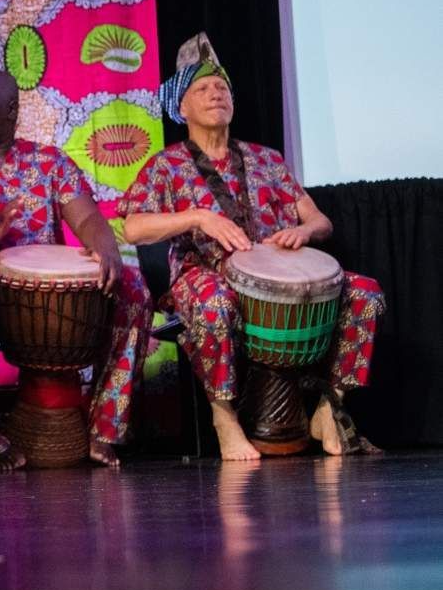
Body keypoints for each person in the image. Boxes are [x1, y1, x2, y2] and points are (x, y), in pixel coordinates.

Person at [119, 33, 384, 460]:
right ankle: (224, 419)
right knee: (213, 301)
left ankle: (328, 407)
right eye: (202, 88)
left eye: (222, 87)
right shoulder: (165, 166)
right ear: (181, 107)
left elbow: (319, 219)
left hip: (278, 282)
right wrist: (198, 216)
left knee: (365, 293)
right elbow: (133, 228)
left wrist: (305, 232)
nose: (216, 94)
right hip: (204, 276)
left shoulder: (268, 159)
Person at [0, 69, 152, 468]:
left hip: (47, 293)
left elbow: (85, 218)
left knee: (133, 288)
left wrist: (106, 250)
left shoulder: (48, 162)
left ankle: (105, 428)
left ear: (11, 109)